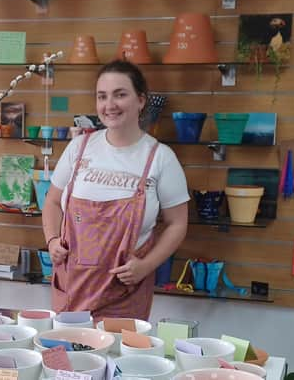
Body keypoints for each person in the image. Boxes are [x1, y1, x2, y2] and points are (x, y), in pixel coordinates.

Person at [42, 60, 189, 321]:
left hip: (123, 295)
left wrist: (146, 266)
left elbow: (177, 223)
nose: (109, 105)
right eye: (102, 96)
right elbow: (52, 202)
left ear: (141, 100)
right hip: (71, 290)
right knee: (67, 359)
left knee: (116, 361)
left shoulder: (159, 158)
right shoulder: (79, 148)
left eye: (120, 94)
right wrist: (52, 239)